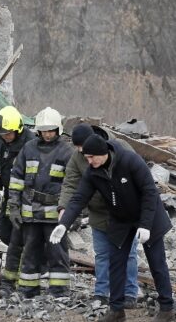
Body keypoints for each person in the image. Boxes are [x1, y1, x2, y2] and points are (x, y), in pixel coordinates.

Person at [51, 134, 174, 322]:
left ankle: (167, 308)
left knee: (157, 264)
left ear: (103, 153)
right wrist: (64, 223)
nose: (89, 161)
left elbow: (149, 192)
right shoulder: (93, 172)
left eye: (92, 157)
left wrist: (145, 224)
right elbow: (78, 198)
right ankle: (116, 310)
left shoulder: (130, 160)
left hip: (148, 216)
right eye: (86, 158)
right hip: (120, 219)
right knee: (116, 263)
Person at [59, 123, 139, 307]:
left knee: (129, 254)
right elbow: (70, 184)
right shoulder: (77, 157)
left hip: (124, 213)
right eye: (78, 148)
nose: (82, 152)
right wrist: (63, 208)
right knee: (102, 255)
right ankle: (102, 293)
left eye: (84, 148)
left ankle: (130, 294)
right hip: (99, 214)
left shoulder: (119, 147)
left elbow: (138, 174)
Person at [8, 107, 73, 299]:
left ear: (58, 130)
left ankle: (59, 291)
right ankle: (28, 290)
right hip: (30, 214)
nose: (47, 134)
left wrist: (71, 215)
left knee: (57, 253)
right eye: (44, 130)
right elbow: (16, 179)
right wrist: (13, 206)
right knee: (30, 253)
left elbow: (72, 186)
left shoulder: (66, 152)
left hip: (54, 216)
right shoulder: (28, 149)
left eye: (51, 130)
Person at [0, 106, 35, 297]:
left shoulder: (30, 144)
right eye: (2, 134)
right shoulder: (2, 141)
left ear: (18, 129)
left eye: (8, 133)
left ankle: (22, 277)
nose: (5, 136)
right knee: (5, 233)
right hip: (8, 195)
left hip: (25, 197)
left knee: (18, 238)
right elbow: (0, 163)